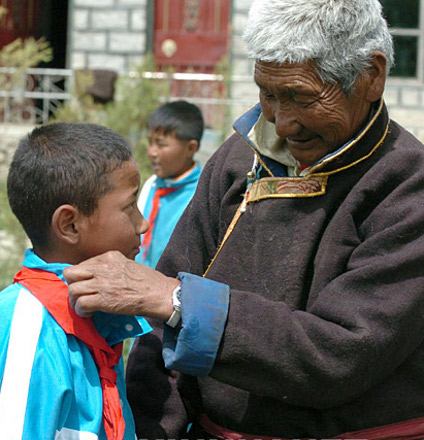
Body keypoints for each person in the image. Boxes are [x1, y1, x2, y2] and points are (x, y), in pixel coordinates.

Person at [64, 0, 424, 438]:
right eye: (267, 94)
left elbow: (338, 355)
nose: (283, 122)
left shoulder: (407, 187)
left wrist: (183, 304)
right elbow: (159, 328)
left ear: (372, 76)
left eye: (302, 97)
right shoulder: (241, 158)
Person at [0, 122, 152, 439]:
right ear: (69, 225)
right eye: (129, 207)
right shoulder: (29, 329)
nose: (142, 224)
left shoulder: (95, 311)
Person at [135, 100, 203, 268]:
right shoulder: (152, 185)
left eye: (161, 145)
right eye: (150, 142)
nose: (152, 152)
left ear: (191, 148)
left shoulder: (200, 195)